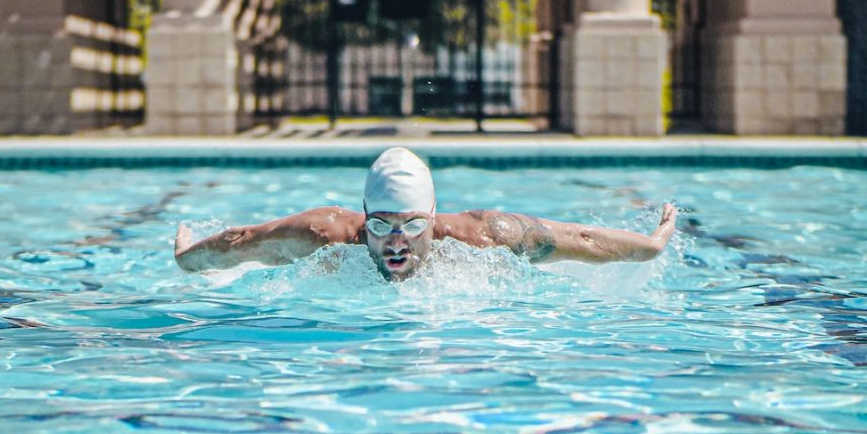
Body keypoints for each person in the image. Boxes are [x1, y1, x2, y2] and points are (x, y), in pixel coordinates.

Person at [175, 147, 677, 281]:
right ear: (363, 218)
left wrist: (650, 246)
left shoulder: (483, 236)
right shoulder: (325, 235)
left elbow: (579, 239)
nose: (397, 240)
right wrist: (187, 259)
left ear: (433, 219)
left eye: (413, 225)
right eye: (382, 225)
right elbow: (243, 240)